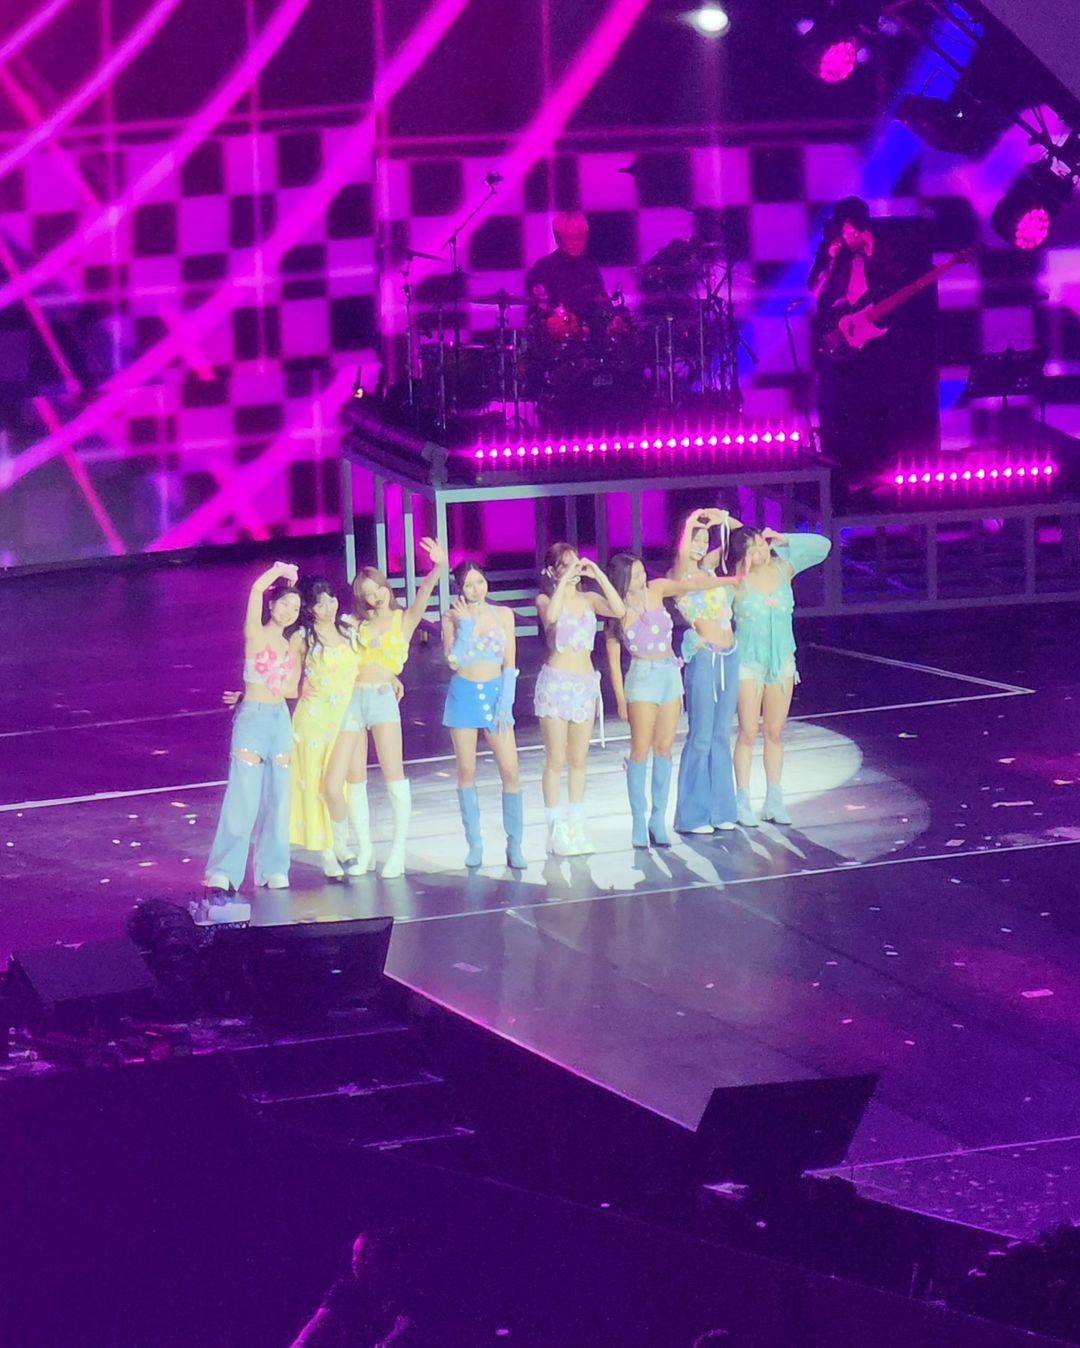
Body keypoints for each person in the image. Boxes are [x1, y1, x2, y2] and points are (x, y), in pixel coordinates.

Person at [323, 538, 447, 880]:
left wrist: (438, 566)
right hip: (352, 699)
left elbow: (424, 593)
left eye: (377, 588)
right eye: (366, 593)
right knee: (355, 779)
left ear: (385, 587)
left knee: (394, 775)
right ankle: (364, 850)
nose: (373, 596)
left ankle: (397, 851)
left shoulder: (402, 619)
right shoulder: (354, 623)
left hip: (381, 699)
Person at [604, 551, 737, 849]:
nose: (642, 578)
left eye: (642, 571)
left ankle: (657, 819)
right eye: (635, 575)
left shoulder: (657, 589)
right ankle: (639, 821)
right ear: (622, 579)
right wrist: (621, 698)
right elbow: (613, 663)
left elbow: (691, 586)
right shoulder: (616, 611)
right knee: (640, 750)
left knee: (664, 748)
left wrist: (730, 580)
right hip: (642, 678)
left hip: (669, 673)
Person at [203, 561, 301, 906]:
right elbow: (256, 589)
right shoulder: (256, 633)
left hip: (280, 719)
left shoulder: (291, 646)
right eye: (284, 604)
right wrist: (279, 570)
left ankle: (273, 866)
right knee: (243, 796)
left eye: (295, 608)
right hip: (253, 718)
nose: (289, 612)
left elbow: (290, 689)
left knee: (279, 797)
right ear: (272, 605)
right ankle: (225, 870)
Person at [729, 526, 831, 827]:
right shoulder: (736, 581)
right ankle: (742, 800)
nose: (759, 552)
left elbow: (823, 546)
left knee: (774, 732)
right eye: (751, 549)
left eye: (761, 545)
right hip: (748, 664)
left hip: (783, 662)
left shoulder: (784, 567)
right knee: (748, 731)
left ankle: (774, 799)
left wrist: (785, 539)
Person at [807, 195, 910, 489]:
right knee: (842, 408)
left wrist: (871, 252)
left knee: (875, 406)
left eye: (853, 231)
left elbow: (898, 285)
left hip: (876, 342)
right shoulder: (832, 253)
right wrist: (829, 259)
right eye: (845, 232)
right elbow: (815, 290)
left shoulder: (882, 250)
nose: (849, 238)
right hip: (843, 341)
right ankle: (846, 473)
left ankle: (879, 471)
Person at [535, 542, 626, 856]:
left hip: (585, 685)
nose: (574, 569)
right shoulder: (546, 599)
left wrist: (598, 574)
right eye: (565, 564)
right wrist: (563, 582)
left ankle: (576, 825)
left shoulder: (590, 599)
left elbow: (619, 610)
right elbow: (552, 616)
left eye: (576, 562)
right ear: (552, 571)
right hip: (556, 683)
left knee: (578, 760)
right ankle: (555, 829)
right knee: (555, 759)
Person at [442, 560, 524, 869]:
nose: (476, 589)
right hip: (463, 696)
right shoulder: (451, 618)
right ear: (459, 588)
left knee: (511, 771)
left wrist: (507, 700)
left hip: (496, 695)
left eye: (479, 582)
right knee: (467, 771)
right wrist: (465, 627)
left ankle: (514, 845)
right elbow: (453, 661)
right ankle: (474, 844)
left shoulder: (503, 615)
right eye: (469, 584)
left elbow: (510, 662)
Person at [670, 508, 744, 835]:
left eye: (704, 540)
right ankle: (692, 815)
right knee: (701, 736)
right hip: (704, 657)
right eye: (695, 539)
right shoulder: (679, 575)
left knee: (720, 735)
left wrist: (722, 520)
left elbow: (742, 539)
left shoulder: (709, 568)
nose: (701, 545)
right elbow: (683, 555)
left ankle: (722, 809)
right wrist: (691, 521)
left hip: (729, 655)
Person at [289, 1228, 418, 1348]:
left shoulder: (402, 1295)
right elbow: (313, 1330)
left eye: (365, 1255)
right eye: (355, 1255)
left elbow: (405, 1328)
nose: (355, 1262)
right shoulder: (345, 1290)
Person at [525, 210, 609, 335]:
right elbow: (538, 313)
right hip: (554, 339)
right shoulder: (543, 268)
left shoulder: (590, 267)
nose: (576, 242)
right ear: (558, 238)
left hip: (589, 337)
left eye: (580, 236)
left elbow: (602, 303)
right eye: (570, 237)